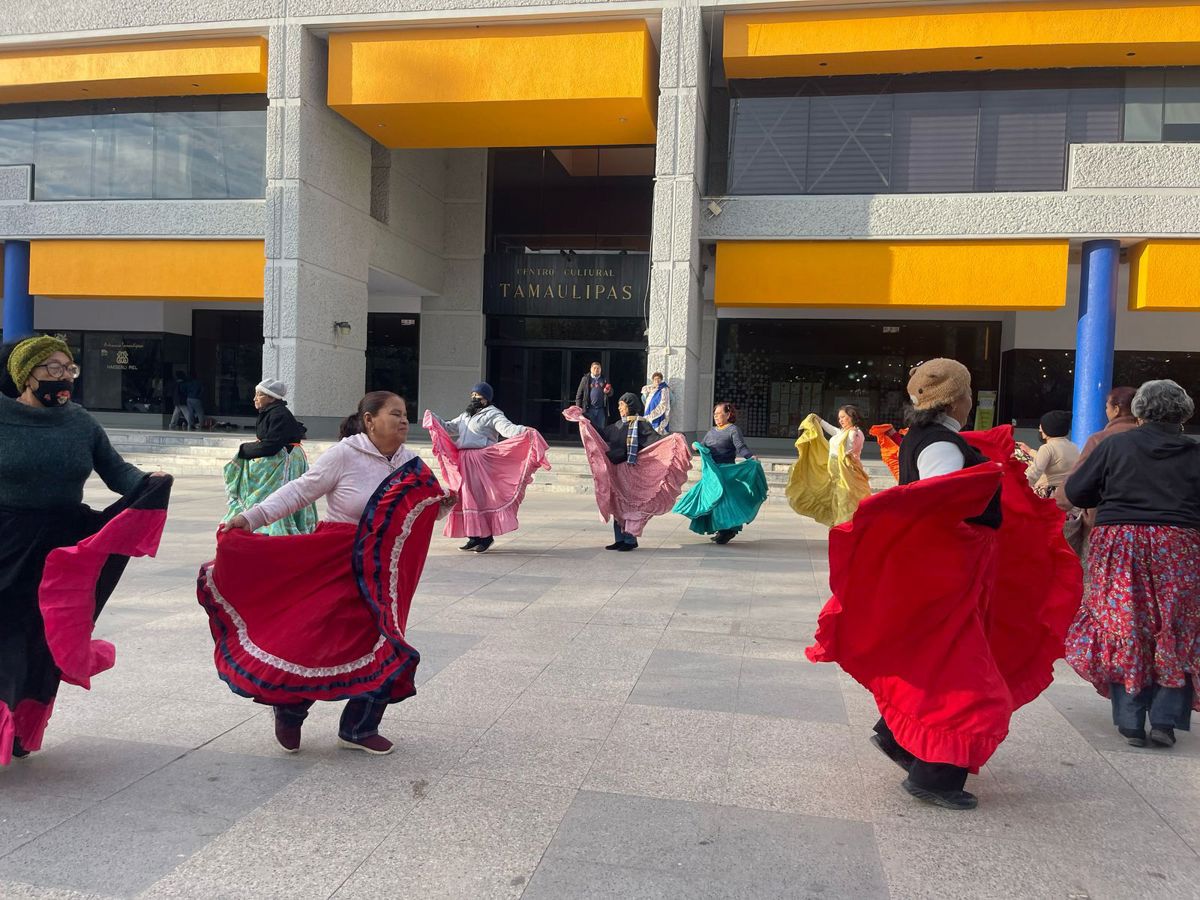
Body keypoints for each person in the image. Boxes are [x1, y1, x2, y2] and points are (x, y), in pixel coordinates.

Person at [807, 359, 1081, 811]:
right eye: (969, 392)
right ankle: (935, 776)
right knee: (965, 677)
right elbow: (938, 500)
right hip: (951, 573)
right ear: (956, 398)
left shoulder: (932, 436)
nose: (972, 400)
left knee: (939, 660)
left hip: (955, 570)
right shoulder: (939, 443)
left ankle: (898, 738)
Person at [204, 391, 457, 756]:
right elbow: (299, 491)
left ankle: (359, 727)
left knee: (384, 640)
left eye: (406, 415)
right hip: (338, 560)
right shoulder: (344, 454)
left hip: (385, 569)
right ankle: (291, 707)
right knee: (318, 640)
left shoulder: (412, 463)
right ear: (369, 420)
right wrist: (249, 518)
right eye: (395, 414)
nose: (404, 421)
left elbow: (416, 515)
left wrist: (442, 506)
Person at [1, 337, 172, 766]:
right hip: (6, 540)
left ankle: (23, 724)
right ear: (26, 375)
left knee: (45, 640)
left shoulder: (79, 421)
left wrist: (149, 482)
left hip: (61, 544)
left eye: (68, 369)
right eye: (53, 369)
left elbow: (116, 471)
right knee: (5, 636)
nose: (63, 378)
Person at [1063, 379, 1200, 749]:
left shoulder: (1116, 445)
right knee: (1174, 626)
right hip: (1179, 544)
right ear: (1182, 414)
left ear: (1139, 410)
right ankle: (1166, 721)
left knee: (1126, 623)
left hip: (1120, 541)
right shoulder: (1194, 453)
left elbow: (1077, 491)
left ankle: (1130, 721)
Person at [423, 381, 549, 553]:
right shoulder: (466, 415)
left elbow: (507, 429)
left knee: (481, 498)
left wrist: (523, 430)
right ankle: (473, 537)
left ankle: (486, 537)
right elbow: (449, 428)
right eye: (473, 395)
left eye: (479, 395)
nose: (475, 398)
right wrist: (433, 418)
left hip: (481, 460)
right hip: (464, 460)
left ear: (487, 399)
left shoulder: (493, 414)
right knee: (466, 497)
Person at [563, 392, 692, 551]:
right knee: (618, 505)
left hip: (632, 472)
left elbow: (656, 440)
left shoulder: (641, 425)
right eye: (619, 405)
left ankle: (630, 539)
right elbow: (601, 434)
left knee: (630, 506)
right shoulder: (618, 425)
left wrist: (675, 437)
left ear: (630, 406)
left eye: (622, 405)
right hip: (617, 471)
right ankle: (619, 539)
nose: (619, 408)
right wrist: (584, 418)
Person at [223, 379, 316, 536]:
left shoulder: (279, 414)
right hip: (280, 456)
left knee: (278, 495)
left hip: (285, 461)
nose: (255, 398)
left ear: (271, 397)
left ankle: (271, 525)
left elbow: (272, 445)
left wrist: (244, 450)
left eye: (259, 395)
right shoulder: (271, 412)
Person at [1054, 387, 1138, 558]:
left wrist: (1057, 504)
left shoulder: (1100, 439)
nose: (1106, 411)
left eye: (1107, 407)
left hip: (1104, 524)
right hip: (1150, 531)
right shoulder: (1152, 439)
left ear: (1116, 409)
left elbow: (1075, 484)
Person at [673, 402, 767, 544]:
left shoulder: (733, 430)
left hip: (726, 473)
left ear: (728, 415)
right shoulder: (712, 431)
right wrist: (695, 446)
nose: (716, 417)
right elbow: (703, 446)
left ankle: (727, 530)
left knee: (724, 503)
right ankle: (719, 529)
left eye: (719, 414)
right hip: (712, 473)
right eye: (714, 414)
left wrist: (750, 457)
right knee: (711, 501)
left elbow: (741, 447)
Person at [786, 405, 872, 527]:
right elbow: (831, 429)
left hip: (847, 474)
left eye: (843, 417)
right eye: (839, 418)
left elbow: (851, 449)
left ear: (852, 417)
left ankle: (845, 530)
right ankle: (839, 528)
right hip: (835, 473)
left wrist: (853, 435)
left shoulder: (856, 433)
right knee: (837, 501)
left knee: (845, 501)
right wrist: (818, 420)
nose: (840, 420)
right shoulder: (842, 432)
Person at [1017, 410, 1079, 498]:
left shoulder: (1047, 448)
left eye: (1041, 427)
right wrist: (1030, 451)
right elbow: (1054, 459)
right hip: (1069, 495)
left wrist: (1018, 487)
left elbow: (1034, 473)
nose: (1039, 429)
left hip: (1050, 497)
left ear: (1049, 428)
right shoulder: (1073, 447)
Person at [575, 361, 612, 433]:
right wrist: (578, 409)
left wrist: (608, 392)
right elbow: (579, 395)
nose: (596, 370)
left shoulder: (604, 379)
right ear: (591, 369)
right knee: (589, 431)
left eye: (598, 368)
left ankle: (599, 444)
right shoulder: (585, 379)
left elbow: (611, 393)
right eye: (594, 368)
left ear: (601, 370)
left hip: (601, 410)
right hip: (589, 410)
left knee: (601, 431)